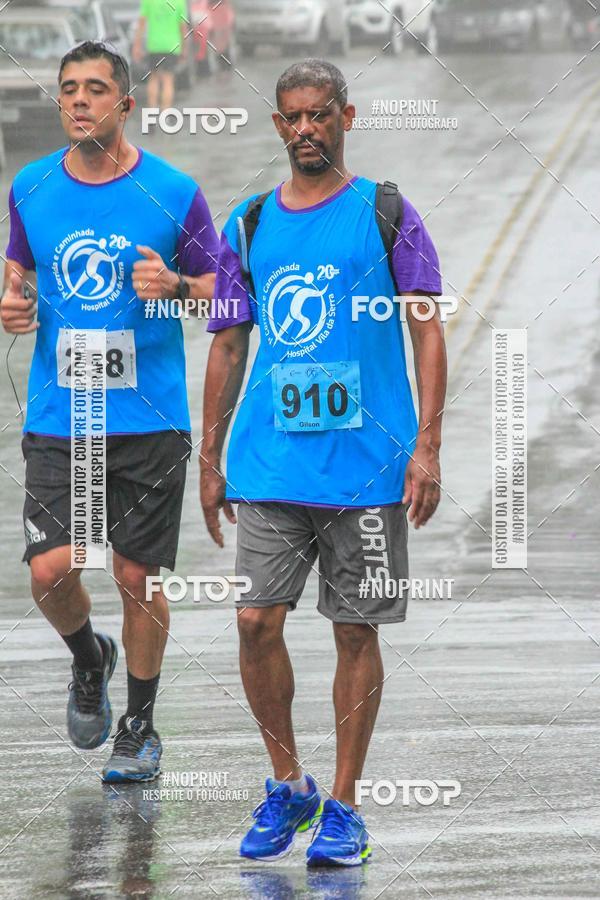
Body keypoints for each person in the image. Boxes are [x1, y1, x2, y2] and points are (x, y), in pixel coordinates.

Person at [201, 58, 447, 866]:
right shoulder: (248, 222)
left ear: (348, 116)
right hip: (270, 461)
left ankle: (343, 805)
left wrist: (427, 446)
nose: (306, 128)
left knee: (354, 631)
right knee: (253, 620)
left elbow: (427, 329)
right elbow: (230, 343)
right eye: (292, 117)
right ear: (278, 125)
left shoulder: (388, 214)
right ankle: (288, 784)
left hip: (369, 470)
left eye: (320, 114)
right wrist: (210, 453)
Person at [0, 41, 218, 782]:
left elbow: (225, 293)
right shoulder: (30, 187)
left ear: (125, 103)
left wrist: (179, 287)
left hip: (149, 417)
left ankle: (140, 727)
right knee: (52, 572)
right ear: (59, 102)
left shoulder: (174, 190)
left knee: (135, 576)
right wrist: (13, 301)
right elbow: (19, 271)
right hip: (64, 414)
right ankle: (89, 658)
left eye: (96, 89)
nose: (81, 101)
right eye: (69, 90)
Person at [132, 0, 188, 111]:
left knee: (154, 78)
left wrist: (137, 46)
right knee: (168, 80)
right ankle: (165, 114)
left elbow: (141, 23)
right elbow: (183, 26)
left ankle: (152, 113)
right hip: (172, 46)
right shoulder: (180, 1)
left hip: (154, 45)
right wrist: (184, 47)